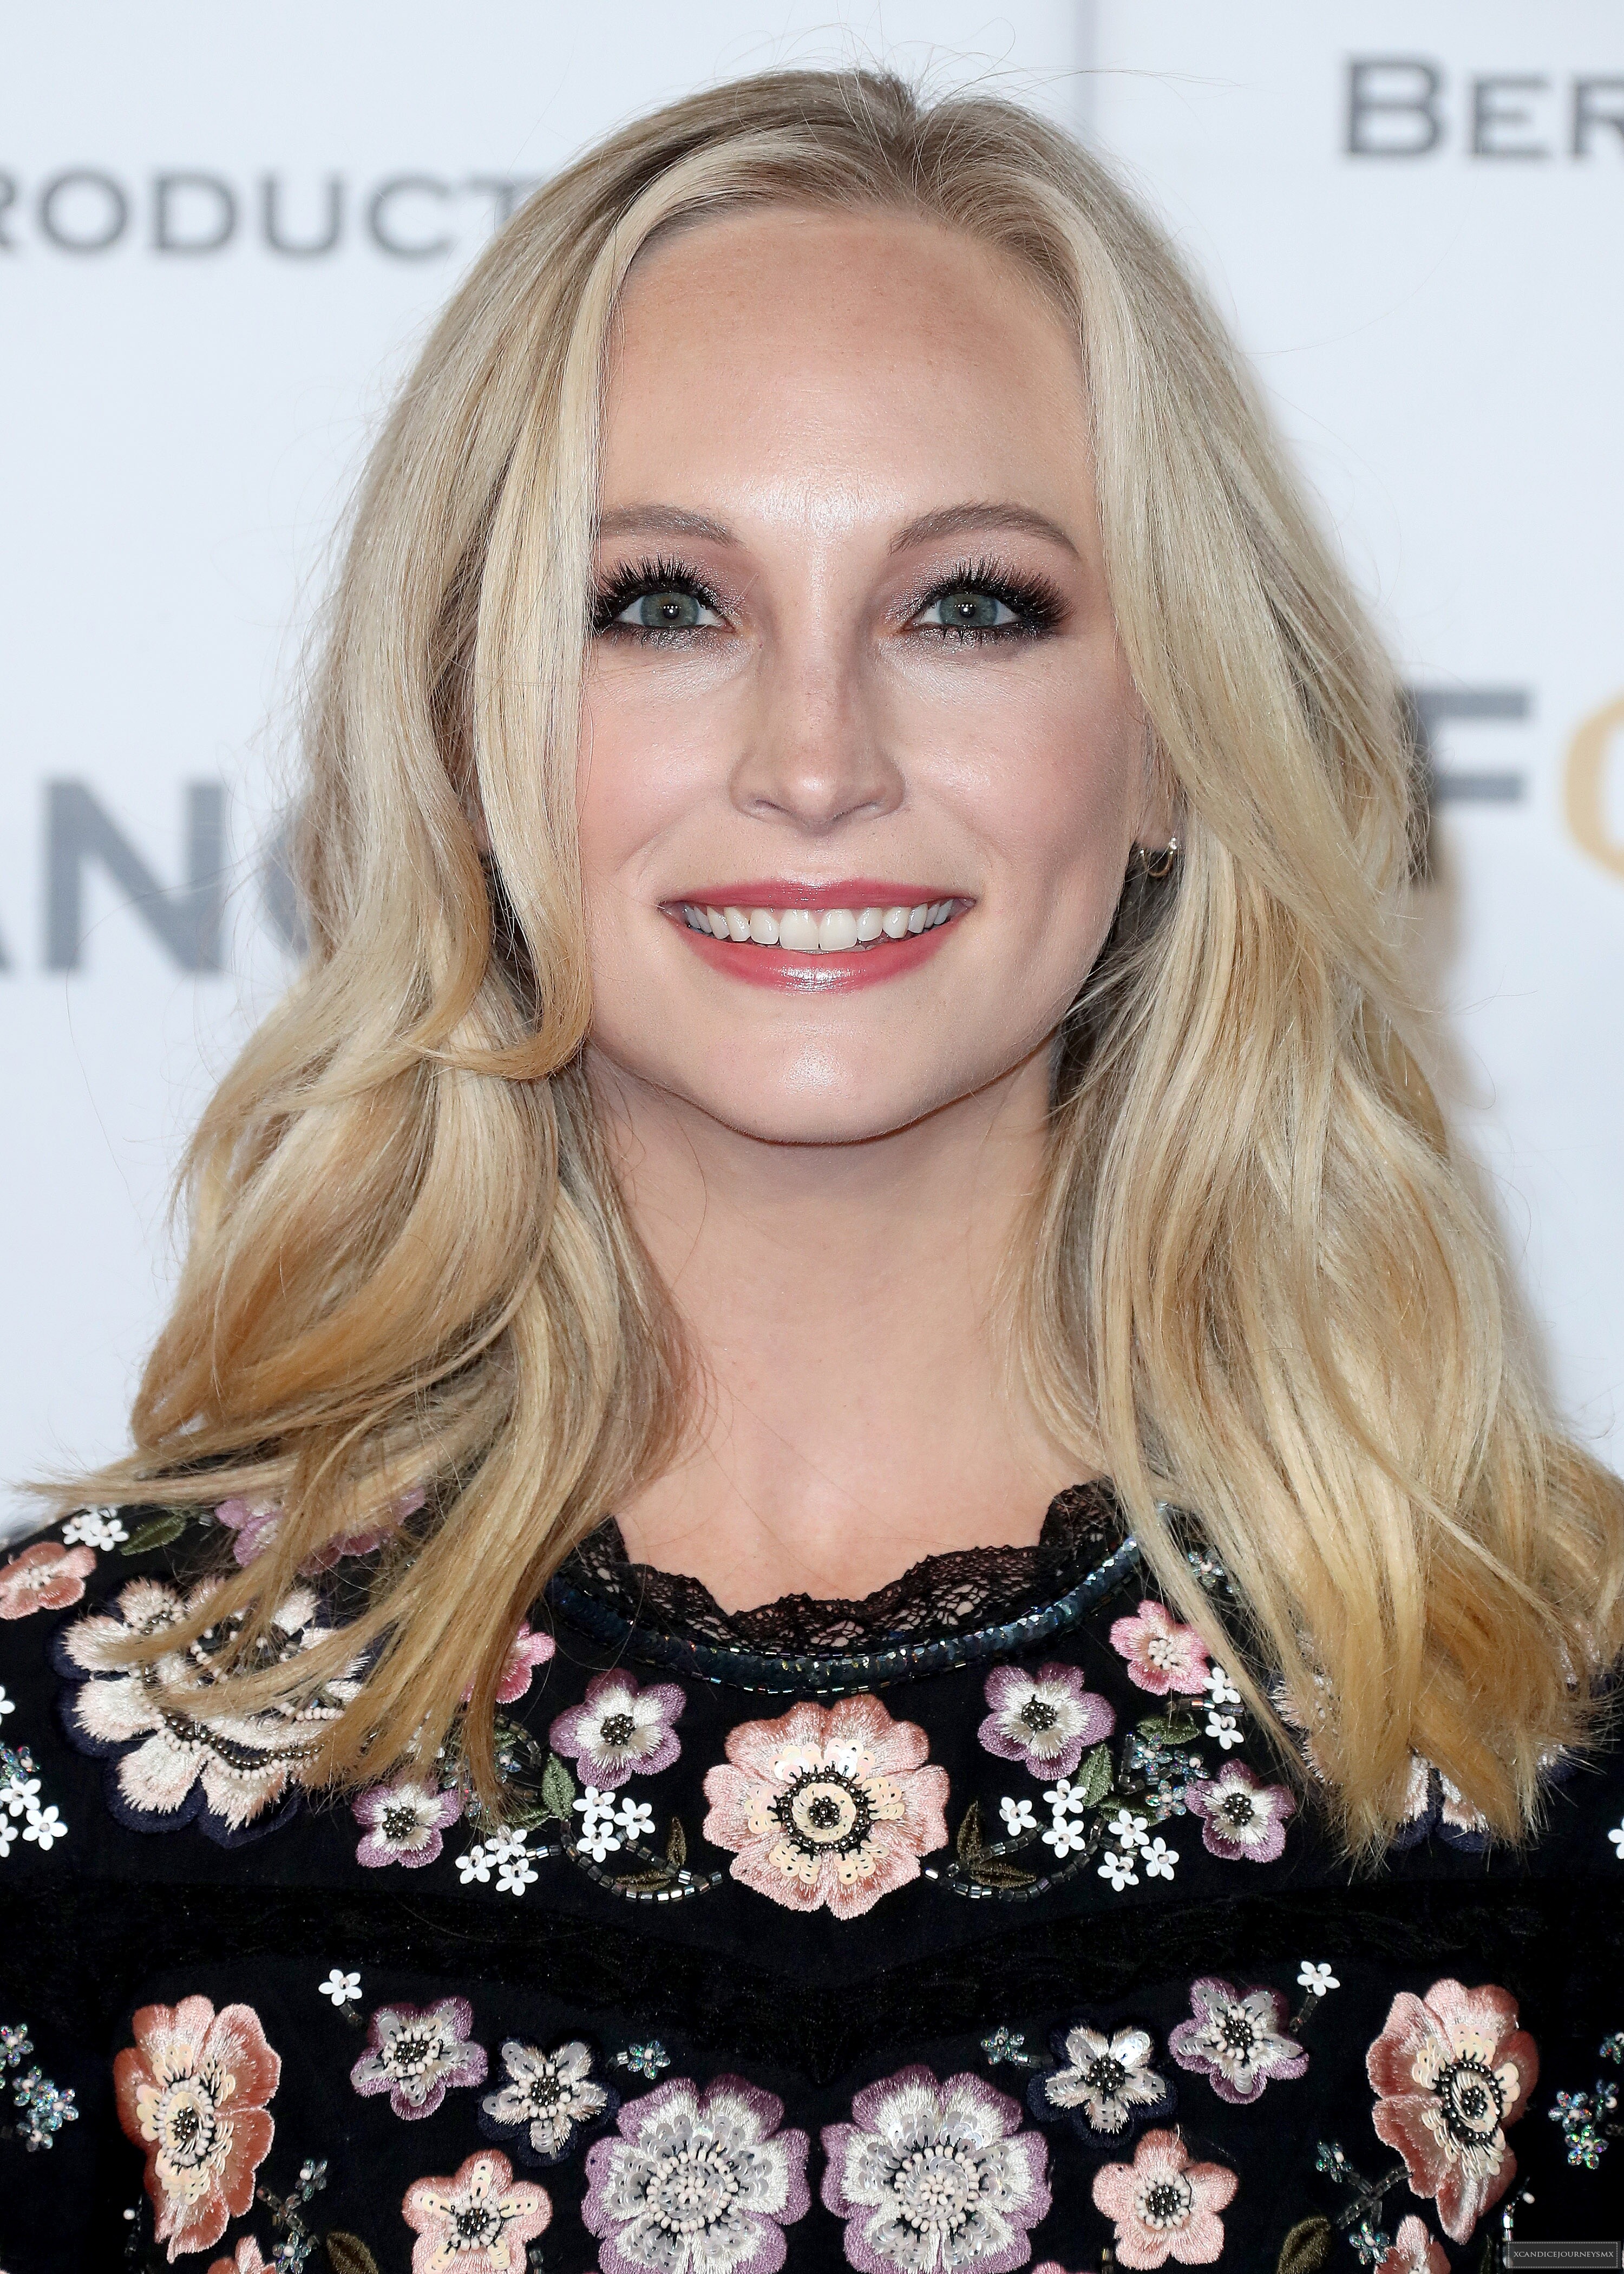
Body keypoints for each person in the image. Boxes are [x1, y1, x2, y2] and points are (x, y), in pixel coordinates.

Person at [1, 67, 1621, 2274]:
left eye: (973, 607)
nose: (817, 761)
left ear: (1172, 742)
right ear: (466, 735)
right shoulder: (91, 1727)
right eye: (664, 603)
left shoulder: (1546, 1709)